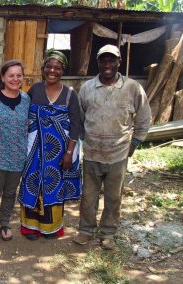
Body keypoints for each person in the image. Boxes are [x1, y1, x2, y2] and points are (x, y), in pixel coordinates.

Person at [73, 44, 151, 250]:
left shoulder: (132, 88)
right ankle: (86, 230)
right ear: (98, 62)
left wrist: (135, 142)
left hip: (118, 154)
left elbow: (144, 118)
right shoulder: (87, 88)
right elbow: (79, 119)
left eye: (111, 60)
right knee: (88, 195)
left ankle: (108, 233)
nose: (107, 64)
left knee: (113, 196)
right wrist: (86, 140)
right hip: (92, 153)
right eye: (103, 60)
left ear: (119, 62)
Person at [19, 50, 82, 241]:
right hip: (34, 150)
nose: (52, 70)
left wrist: (69, 153)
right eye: (49, 66)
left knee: (54, 185)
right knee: (32, 185)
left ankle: (51, 227)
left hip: (59, 152)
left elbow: (76, 124)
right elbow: (22, 115)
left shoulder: (70, 94)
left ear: (63, 71)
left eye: (57, 67)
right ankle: (30, 227)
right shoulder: (35, 91)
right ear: (43, 69)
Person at [0, 60, 30, 244]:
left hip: (18, 156)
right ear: (2, 77)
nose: (15, 79)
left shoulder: (26, 100)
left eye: (19, 75)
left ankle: (5, 224)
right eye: (11, 75)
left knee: (10, 193)